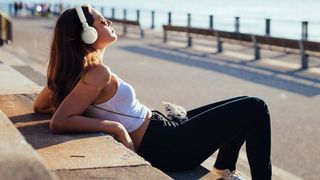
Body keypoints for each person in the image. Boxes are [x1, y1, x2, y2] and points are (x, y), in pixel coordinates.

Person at [33, 5, 272, 180]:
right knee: (255, 107)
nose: (109, 23)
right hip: (168, 145)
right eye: (102, 21)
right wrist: (113, 127)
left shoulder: (81, 72)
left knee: (241, 105)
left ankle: (224, 169)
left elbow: (41, 106)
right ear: (88, 34)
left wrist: (63, 73)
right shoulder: (97, 73)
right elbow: (59, 121)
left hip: (163, 129)